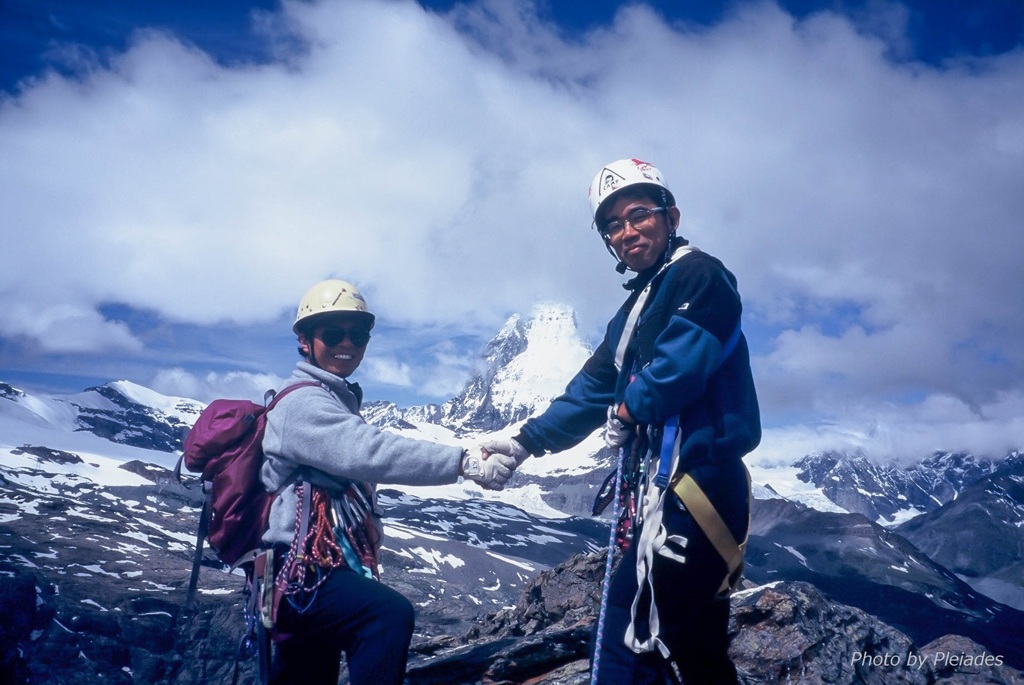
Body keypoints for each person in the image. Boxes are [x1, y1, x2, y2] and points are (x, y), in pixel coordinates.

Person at [483, 158, 760, 684]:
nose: (626, 231)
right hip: (665, 492)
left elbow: (680, 369)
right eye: (613, 225)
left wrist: (627, 409)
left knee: (673, 639)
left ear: (670, 216)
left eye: (638, 215)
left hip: (696, 484)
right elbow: (591, 390)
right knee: (650, 635)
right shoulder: (636, 308)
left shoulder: (701, 276)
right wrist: (522, 442)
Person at [260, 279, 517, 685]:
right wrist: (462, 462)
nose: (347, 343)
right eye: (333, 333)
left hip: (310, 571)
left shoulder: (333, 399)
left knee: (307, 672)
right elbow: (368, 452)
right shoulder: (302, 403)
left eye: (357, 335)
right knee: (387, 614)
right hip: (303, 571)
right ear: (305, 341)